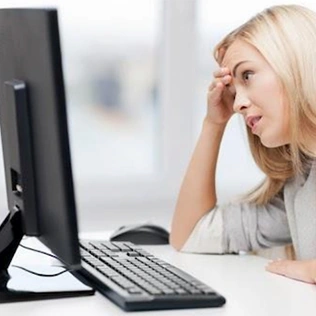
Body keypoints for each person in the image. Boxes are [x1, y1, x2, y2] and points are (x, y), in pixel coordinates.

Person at [170, 4, 316, 284]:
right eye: (234, 91)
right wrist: (213, 124)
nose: (238, 104)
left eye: (247, 75)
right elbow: (189, 234)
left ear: (296, 62)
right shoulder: (301, 183)